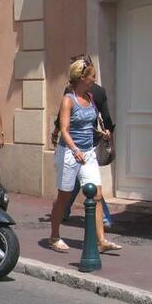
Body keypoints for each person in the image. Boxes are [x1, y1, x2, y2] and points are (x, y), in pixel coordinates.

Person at [48, 58, 121, 253]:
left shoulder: (90, 97)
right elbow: (64, 130)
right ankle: (54, 235)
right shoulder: (68, 100)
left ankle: (101, 240)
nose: (95, 79)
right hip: (69, 153)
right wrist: (75, 149)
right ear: (82, 77)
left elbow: (90, 125)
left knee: (96, 194)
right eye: (92, 76)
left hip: (87, 153)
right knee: (63, 198)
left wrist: (101, 134)